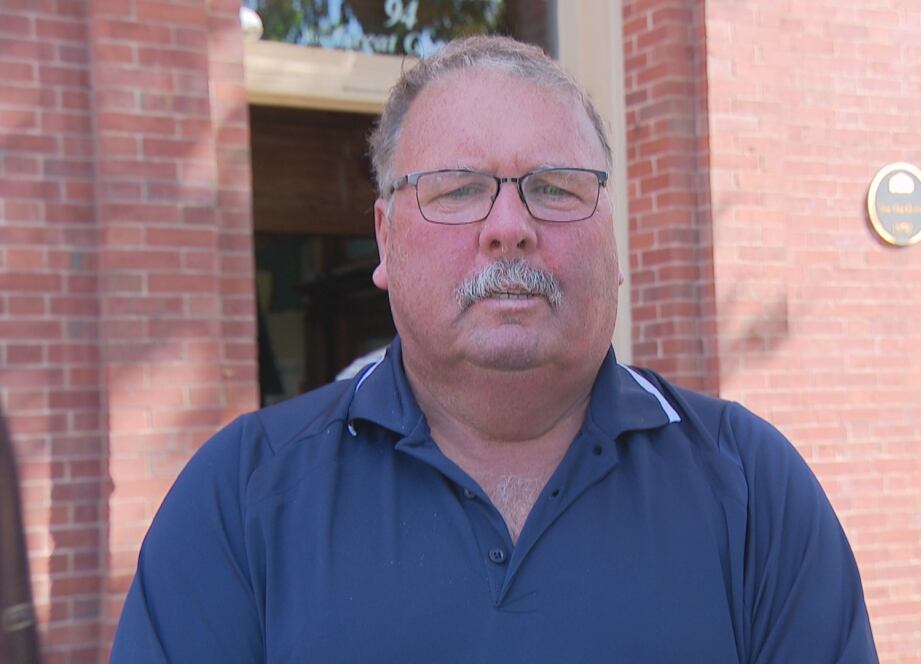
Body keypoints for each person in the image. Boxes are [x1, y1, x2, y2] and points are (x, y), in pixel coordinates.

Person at [111, 36, 877, 663]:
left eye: (554, 187)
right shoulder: (241, 496)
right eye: (456, 188)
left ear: (610, 237)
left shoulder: (752, 487)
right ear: (384, 237)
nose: (509, 225)